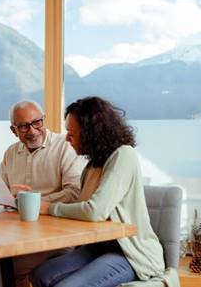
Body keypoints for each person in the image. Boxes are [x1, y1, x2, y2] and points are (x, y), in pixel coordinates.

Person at [30, 96, 168, 287]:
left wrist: (51, 208)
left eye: (72, 133)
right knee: (40, 274)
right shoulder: (92, 166)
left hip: (129, 254)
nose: (67, 139)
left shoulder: (123, 155)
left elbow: (95, 211)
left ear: (90, 133)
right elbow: (84, 208)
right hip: (96, 248)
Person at [0, 100, 85, 287]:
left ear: (44, 120)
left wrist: (28, 201)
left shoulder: (65, 146)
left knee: (8, 267)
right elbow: (2, 193)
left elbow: (74, 193)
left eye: (37, 122)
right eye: (23, 126)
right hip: (15, 233)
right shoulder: (11, 153)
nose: (32, 130)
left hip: (54, 235)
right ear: (13, 130)